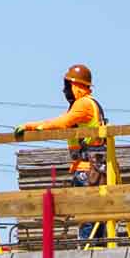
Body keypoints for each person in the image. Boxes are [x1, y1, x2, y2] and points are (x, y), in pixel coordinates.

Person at [15, 63, 109, 243]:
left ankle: (87, 251)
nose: (64, 91)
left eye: (67, 86)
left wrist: (31, 126)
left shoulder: (83, 104)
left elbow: (62, 123)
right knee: (95, 216)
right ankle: (96, 249)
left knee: (87, 217)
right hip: (95, 169)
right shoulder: (88, 104)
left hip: (89, 171)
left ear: (76, 86)